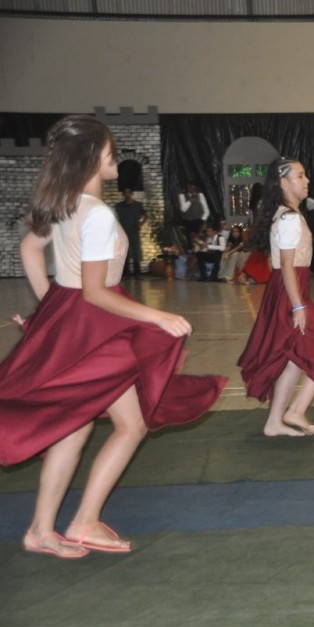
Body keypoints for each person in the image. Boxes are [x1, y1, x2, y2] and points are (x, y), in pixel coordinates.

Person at [0, 115, 226, 557]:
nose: (114, 157)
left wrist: (50, 314)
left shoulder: (63, 201)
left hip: (73, 320)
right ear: (91, 156)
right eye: (109, 150)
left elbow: (30, 250)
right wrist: (156, 317)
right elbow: (96, 292)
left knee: (77, 424)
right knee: (129, 423)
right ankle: (81, 522)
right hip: (94, 324)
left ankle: (43, 530)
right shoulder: (98, 213)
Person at [238, 157, 314, 437]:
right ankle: (296, 410)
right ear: (284, 183)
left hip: (290, 291)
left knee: (294, 358)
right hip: (291, 293)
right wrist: (299, 305)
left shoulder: (287, 212)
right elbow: (288, 266)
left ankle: (275, 421)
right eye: (300, 176)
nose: (307, 181)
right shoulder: (289, 217)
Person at [114, 187, 146, 277]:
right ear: (123, 194)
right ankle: (125, 274)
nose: (127, 194)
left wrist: (141, 223)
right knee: (124, 252)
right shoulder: (119, 206)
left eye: (129, 192)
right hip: (123, 230)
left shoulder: (138, 205)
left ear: (132, 194)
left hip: (134, 230)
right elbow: (115, 217)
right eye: (125, 193)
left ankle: (137, 274)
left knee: (136, 251)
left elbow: (146, 215)